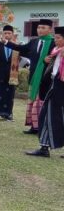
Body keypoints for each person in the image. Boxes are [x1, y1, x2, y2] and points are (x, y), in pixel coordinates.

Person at [4, 19, 55, 134]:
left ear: (50, 29)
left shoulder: (54, 43)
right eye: (38, 28)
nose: (40, 30)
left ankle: (42, 127)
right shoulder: (34, 42)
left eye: (43, 28)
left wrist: (47, 60)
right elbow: (22, 49)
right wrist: (7, 43)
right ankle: (34, 127)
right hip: (34, 78)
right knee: (32, 103)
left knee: (41, 103)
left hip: (46, 79)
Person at [24, 26, 64, 158]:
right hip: (54, 85)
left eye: (58, 38)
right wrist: (45, 60)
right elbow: (52, 69)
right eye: (55, 37)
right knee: (46, 115)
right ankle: (44, 147)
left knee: (50, 116)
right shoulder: (56, 51)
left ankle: (44, 148)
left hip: (60, 87)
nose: (55, 40)